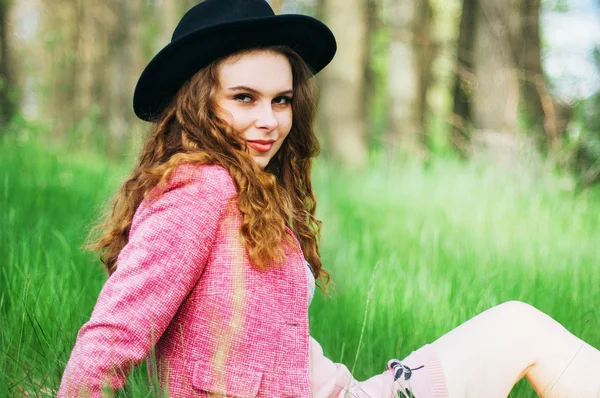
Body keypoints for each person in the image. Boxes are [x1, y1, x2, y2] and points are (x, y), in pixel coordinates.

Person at [58, 0, 600, 397]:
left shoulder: (244, 188)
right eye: (243, 98)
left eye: (281, 100)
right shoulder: (200, 189)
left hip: (351, 392)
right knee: (520, 327)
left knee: (518, 326)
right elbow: (114, 333)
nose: (268, 121)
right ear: (198, 102)